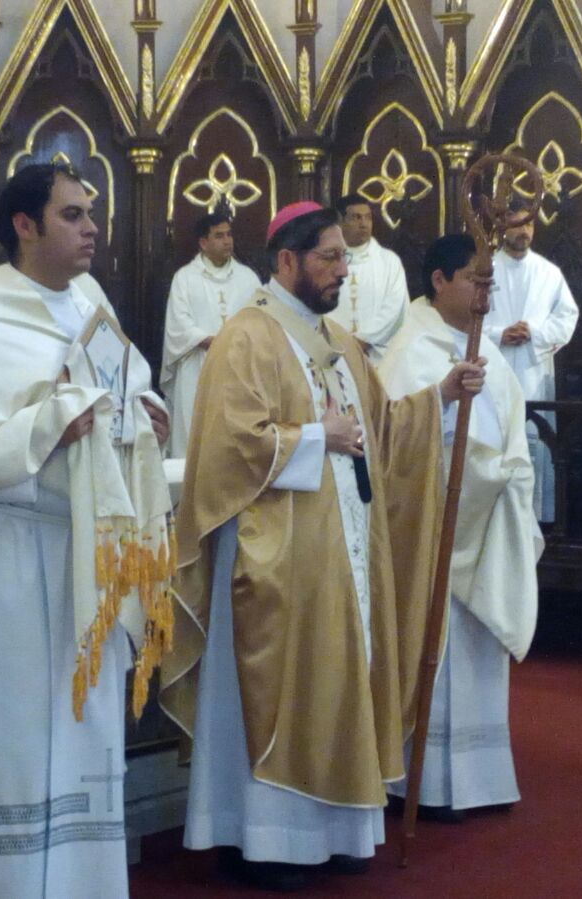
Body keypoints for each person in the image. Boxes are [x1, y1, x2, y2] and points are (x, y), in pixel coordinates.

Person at [162, 201, 485, 891]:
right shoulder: (245, 336)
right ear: (285, 261)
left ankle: (335, 828)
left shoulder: (336, 338)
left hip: (343, 553)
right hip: (275, 555)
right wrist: (314, 438)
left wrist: (439, 399)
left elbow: (381, 426)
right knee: (283, 685)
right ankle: (262, 839)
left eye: (344, 256)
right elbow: (224, 448)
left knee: (340, 675)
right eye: (329, 258)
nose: (343, 269)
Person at [0, 163, 173, 898]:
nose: (91, 229)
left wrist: (145, 415)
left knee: (81, 731)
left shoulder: (90, 303)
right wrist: (49, 421)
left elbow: (129, 384)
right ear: (24, 225)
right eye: (73, 215)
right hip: (9, 554)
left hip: (83, 551)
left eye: (91, 215)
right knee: (6, 735)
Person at [379, 234, 543, 819]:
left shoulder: (487, 348)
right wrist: (450, 421)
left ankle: (479, 778)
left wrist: (508, 478)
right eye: (475, 279)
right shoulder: (410, 350)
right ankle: (426, 783)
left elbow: (512, 426)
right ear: (439, 281)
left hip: (487, 512)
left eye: (490, 281)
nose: (485, 291)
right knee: (436, 645)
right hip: (437, 520)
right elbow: (397, 438)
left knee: (475, 653)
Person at [485, 198, 578, 522]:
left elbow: (567, 316)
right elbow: (464, 321)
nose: (522, 231)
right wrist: (498, 334)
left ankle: (534, 519)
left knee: (534, 442)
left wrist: (534, 332)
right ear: (501, 228)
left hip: (534, 374)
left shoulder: (548, 272)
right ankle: (494, 518)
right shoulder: (485, 269)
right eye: (515, 224)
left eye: (528, 224)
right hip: (492, 371)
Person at [160, 212, 260, 457]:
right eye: (219, 236)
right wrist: (214, 342)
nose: (227, 241)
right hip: (197, 367)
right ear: (203, 243)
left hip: (240, 366)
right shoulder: (184, 278)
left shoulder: (248, 278)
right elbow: (178, 326)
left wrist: (234, 343)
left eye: (229, 234)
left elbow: (260, 322)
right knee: (196, 435)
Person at [326, 194, 409, 362]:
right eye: (356, 217)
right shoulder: (327, 261)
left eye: (368, 218)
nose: (363, 224)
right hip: (335, 352)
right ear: (340, 223)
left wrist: (364, 340)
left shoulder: (389, 261)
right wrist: (340, 342)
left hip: (379, 356)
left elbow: (395, 308)